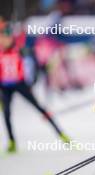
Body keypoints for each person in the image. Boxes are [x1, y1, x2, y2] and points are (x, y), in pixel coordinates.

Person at [0, 17, 70, 153]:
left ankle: (62, 134)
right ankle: (12, 142)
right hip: (5, 86)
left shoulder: (20, 50)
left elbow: (34, 65)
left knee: (39, 108)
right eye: (2, 38)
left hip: (19, 83)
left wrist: (32, 82)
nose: (3, 41)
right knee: (6, 113)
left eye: (5, 38)